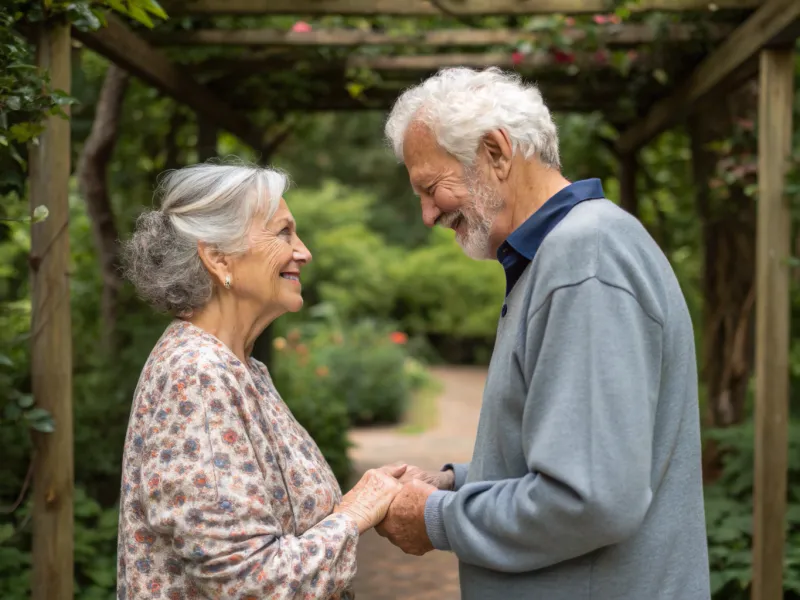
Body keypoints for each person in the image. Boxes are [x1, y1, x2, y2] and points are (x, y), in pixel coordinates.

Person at [376, 66, 711, 599]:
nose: (426, 214)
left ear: (496, 152)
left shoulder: (585, 258)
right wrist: (456, 483)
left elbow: (591, 499)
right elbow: (577, 461)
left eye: (431, 186)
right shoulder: (559, 256)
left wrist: (437, 518)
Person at [117, 163, 405, 600]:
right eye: (283, 233)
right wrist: (354, 513)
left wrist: (380, 494)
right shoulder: (198, 375)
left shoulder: (241, 369)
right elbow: (252, 582)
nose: (304, 252)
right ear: (217, 257)